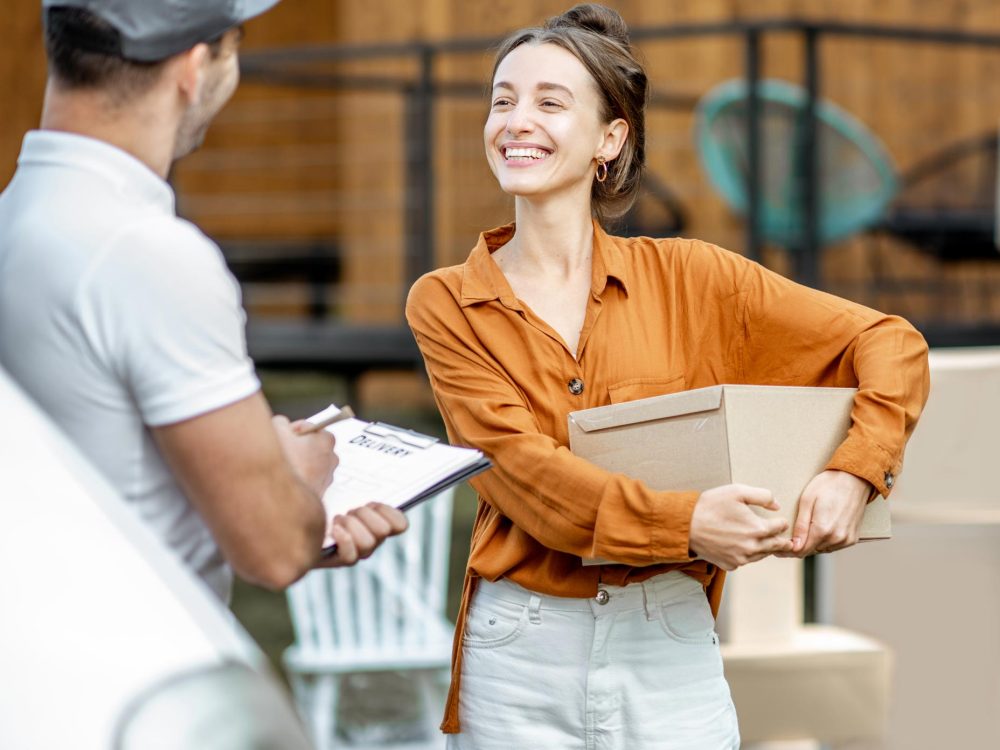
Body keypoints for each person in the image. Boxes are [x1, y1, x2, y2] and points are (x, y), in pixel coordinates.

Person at [405, 4, 930, 748]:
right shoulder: (449, 301)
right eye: (503, 100)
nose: (517, 120)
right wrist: (688, 524)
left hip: (670, 644)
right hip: (520, 654)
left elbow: (889, 341)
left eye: (550, 103)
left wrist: (856, 470)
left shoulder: (695, 279)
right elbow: (525, 477)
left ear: (609, 139)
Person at [0, 0, 407, 602]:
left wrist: (243, 485)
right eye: (234, 42)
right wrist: (297, 478)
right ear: (194, 67)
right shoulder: (149, 253)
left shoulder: (18, 215)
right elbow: (273, 550)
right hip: (135, 664)